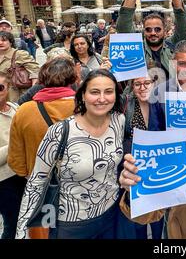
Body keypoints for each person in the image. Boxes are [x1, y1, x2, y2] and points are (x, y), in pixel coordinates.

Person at [16, 69, 126, 239]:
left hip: (111, 216)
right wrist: (22, 233)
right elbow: (36, 183)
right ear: (82, 95)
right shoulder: (60, 132)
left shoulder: (119, 120)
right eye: (95, 92)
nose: (102, 98)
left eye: (109, 92)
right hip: (71, 224)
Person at [7, 58, 77, 239]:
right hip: (79, 189)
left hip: (41, 190)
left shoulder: (24, 110)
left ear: (42, 81)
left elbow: (16, 161)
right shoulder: (84, 107)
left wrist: (32, 175)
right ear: (73, 79)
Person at [116, 0, 186, 79]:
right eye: (148, 30)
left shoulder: (173, 46)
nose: (153, 33)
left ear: (165, 31)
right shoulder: (137, 49)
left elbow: (183, 26)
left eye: (157, 29)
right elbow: (123, 27)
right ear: (143, 31)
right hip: (143, 94)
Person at [122, 61, 163, 239]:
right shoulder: (126, 104)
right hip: (135, 170)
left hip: (160, 168)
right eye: (137, 84)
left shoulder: (162, 104)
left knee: (158, 219)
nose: (142, 87)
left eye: (147, 83)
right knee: (137, 219)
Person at [0, 72, 22, 239]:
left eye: (0, 87)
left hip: (23, 174)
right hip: (4, 180)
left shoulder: (16, 109)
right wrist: (17, 142)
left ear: (8, 89)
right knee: (12, 223)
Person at [0, 31, 39, 102]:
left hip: (16, 96)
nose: (0, 43)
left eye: (4, 40)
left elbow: (35, 72)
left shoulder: (19, 54)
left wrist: (32, 92)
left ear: (11, 42)